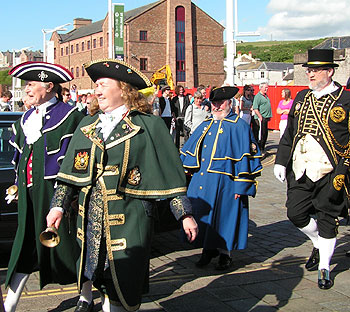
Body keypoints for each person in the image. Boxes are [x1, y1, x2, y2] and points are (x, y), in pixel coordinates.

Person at [46, 59, 198, 312]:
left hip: (130, 216)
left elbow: (170, 174)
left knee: (123, 283)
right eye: (96, 85)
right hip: (90, 217)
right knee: (96, 276)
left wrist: (185, 214)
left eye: (103, 84)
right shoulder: (88, 124)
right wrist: (58, 207)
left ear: (124, 89)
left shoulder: (149, 125)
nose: (97, 90)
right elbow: (71, 172)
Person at [3, 61, 85, 312]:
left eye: (31, 84)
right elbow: (21, 157)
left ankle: (87, 296)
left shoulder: (70, 116)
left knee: (69, 246)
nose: (26, 89)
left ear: (49, 86)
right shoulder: (26, 117)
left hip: (56, 194)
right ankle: (10, 304)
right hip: (28, 195)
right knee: (25, 244)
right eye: (26, 84)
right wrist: (17, 186)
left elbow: (77, 160)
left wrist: (70, 195)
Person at [273, 49, 350, 290]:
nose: (310, 74)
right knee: (295, 213)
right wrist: (280, 160)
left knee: (327, 217)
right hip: (300, 168)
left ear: (330, 71)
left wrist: (344, 169)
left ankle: (324, 267)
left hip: (331, 170)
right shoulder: (302, 98)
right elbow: (289, 133)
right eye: (309, 70)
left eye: (315, 70)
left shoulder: (345, 100)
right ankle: (318, 242)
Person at [181, 86, 262, 270]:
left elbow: (246, 159)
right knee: (204, 216)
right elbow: (190, 150)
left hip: (227, 183)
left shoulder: (239, 127)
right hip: (203, 179)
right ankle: (208, 250)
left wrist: (241, 187)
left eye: (220, 103)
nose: (217, 107)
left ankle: (225, 254)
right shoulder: (206, 124)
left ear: (230, 103)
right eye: (214, 103)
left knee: (225, 218)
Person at [252, 82, 272, 153]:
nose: (267, 89)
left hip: (266, 117)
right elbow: (255, 108)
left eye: (267, 87)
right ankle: (260, 148)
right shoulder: (258, 96)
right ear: (261, 88)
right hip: (261, 118)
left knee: (265, 133)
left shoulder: (265, 96)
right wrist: (260, 116)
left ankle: (262, 147)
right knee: (261, 134)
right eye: (265, 87)